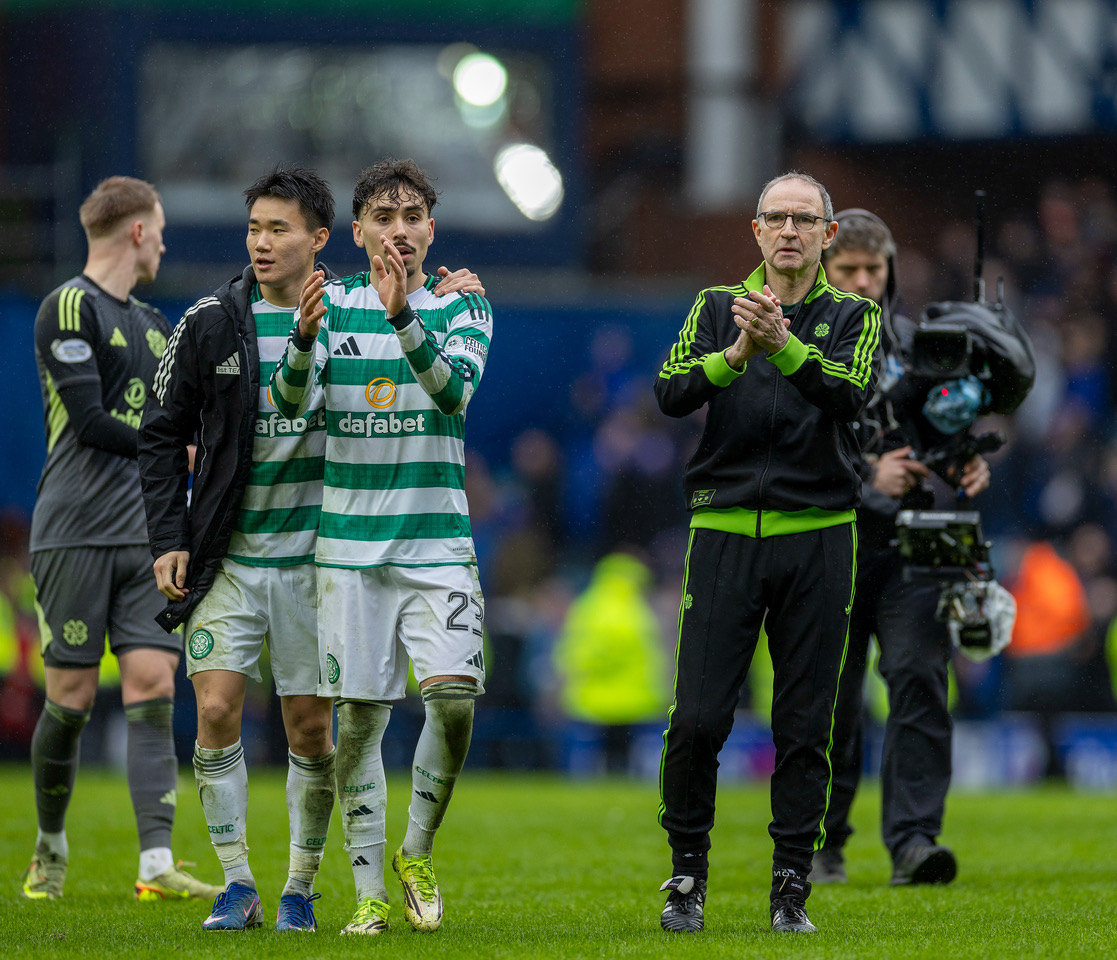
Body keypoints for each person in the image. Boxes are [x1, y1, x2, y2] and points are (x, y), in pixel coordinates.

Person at [138, 165, 485, 933]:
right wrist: (170, 536)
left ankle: (300, 887)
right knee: (218, 707)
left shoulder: (391, 306)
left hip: (315, 556)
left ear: (320, 239)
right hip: (229, 555)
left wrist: (426, 307)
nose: (262, 244)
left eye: (278, 229)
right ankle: (237, 883)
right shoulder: (211, 321)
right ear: (358, 230)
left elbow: (446, 387)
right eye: (254, 228)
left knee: (312, 730)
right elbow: (162, 432)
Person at [653, 171, 880, 935]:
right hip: (722, 533)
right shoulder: (717, 308)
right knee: (695, 721)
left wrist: (781, 349)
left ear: (827, 236)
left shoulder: (854, 314)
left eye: (803, 219)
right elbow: (671, 391)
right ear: (755, 231)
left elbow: (850, 394)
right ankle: (686, 877)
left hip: (818, 534)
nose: (788, 230)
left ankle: (790, 888)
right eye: (775, 218)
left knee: (804, 725)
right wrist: (739, 352)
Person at [271, 158, 493, 936]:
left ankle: (416, 851)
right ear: (359, 230)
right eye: (383, 217)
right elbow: (289, 407)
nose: (398, 230)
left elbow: (454, 392)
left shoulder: (464, 307)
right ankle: (366, 894)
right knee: (359, 723)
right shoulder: (328, 308)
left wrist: (405, 318)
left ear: (430, 230)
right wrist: (300, 338)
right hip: (349, 555)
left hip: (437, 547)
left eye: (412, 217)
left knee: (455, 706)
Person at [23, 176, 221, 903]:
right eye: (160, 229)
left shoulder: (157, 328)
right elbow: (89, 423)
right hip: (73, 532)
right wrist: (173, 451)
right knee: (70, 696)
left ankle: (155, 864)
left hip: (147, 538)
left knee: (151, 685)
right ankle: (49, 847)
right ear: (137, 231)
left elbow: (182, 422)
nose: (164, 242)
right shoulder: (66, 306)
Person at [813, 209, 990, 887]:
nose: (861, 281)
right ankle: (819, 842)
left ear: (889, 274)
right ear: (824, 272)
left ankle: (914, 843)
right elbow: (775, 447)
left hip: (915, 543)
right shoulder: (797, 342)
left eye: (872, 270)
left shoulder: (919, 347)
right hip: (830, 538)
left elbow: (943, 433)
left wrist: (965, 463)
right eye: (847, 269)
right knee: (830, 696)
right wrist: (865, 475)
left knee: (919, 680)